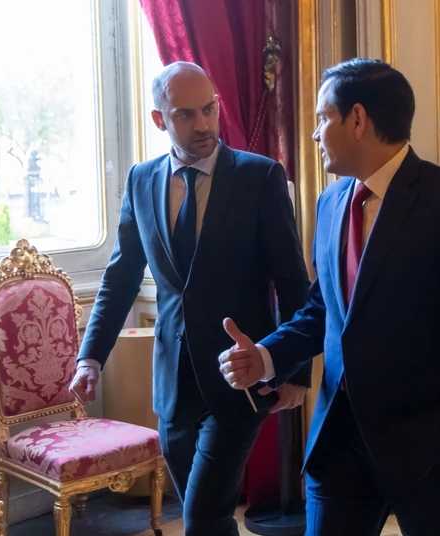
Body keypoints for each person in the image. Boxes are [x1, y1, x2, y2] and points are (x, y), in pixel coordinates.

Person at [218, 58, 440, 536]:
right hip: (339, 440)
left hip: (429, 445)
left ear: (357, 119)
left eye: (323, 118)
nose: (314, 134)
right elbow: (324, 309)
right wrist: (267, 357)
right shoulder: (331, 202)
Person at [69, 62, 311, 536]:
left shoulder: (259, 176)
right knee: (208, 519)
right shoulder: (141, 180)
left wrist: (294, 370)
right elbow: (121, 278)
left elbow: (291, 278)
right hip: (172, 384)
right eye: (185, 114)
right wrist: (90, 358)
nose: (203, 124)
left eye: (209, 109)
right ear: (160, 119)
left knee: (201, 518)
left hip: (239, 377)